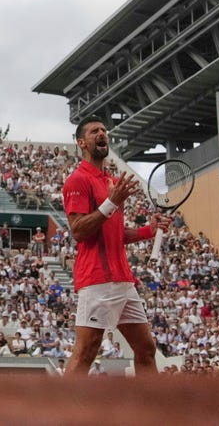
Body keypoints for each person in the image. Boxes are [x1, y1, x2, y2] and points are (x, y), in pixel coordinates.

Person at [62, 115, 170, 376]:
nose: (102, 134)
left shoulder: (110, 181)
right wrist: (111, 203)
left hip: (123, 279)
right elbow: (78, 230)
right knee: (87, 351)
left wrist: (149, 230)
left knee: (146, 349)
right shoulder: (77, 180)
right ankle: (59, 412)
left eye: (104, 130)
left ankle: (153, 415)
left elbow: (114, 233)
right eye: (94, 131)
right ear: (82, 143)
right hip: (97, 280)